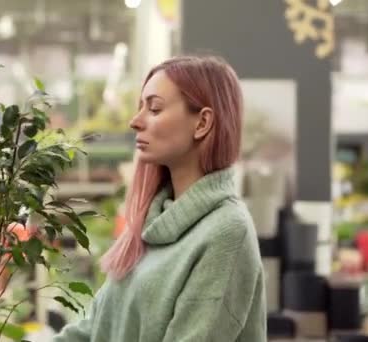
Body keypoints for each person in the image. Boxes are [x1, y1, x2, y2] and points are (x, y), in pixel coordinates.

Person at [53, 55, 267, 342]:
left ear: (202, 123)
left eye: (154, 108)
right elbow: (91, 330)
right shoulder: (151, 224)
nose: (135, 121)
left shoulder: (227, 232)